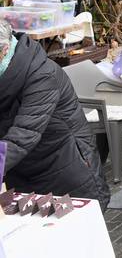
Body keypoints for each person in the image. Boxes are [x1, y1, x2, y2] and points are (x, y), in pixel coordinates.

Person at [0, 22, 110, 210]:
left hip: (65, 169)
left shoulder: (42, 74)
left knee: (71, 235)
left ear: (4, 49)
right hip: (20, 172)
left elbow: (25, 132)